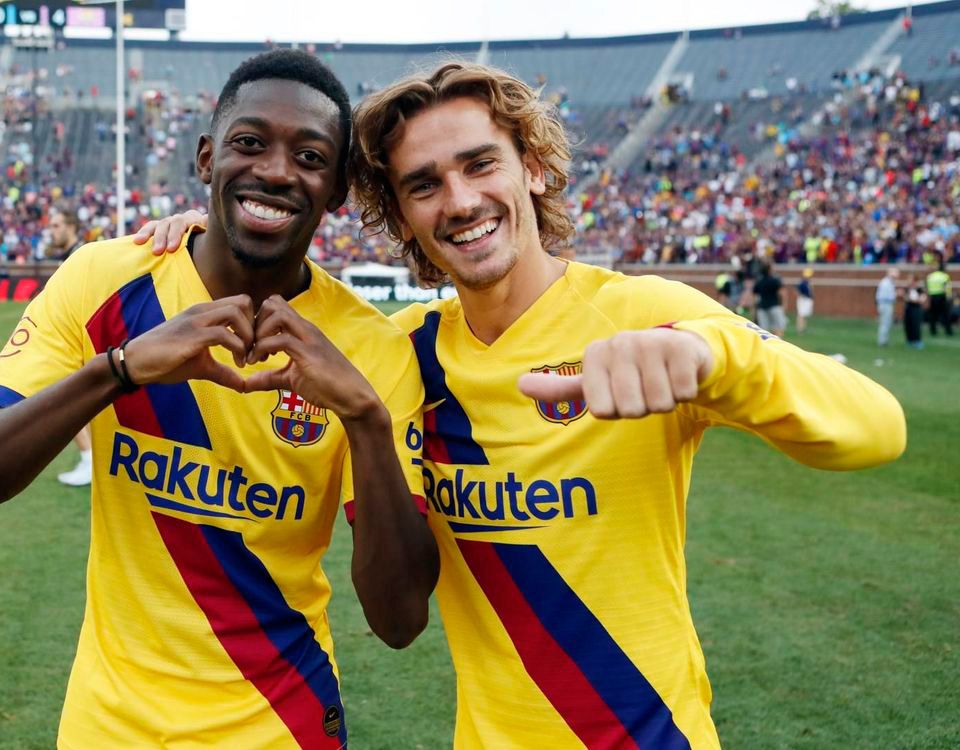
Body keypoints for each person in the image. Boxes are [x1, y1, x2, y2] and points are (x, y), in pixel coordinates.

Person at [139, 60, 906, 749]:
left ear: (533, 168)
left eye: (480, 165)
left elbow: (878, 429)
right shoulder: (400, 357)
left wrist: (715, 359)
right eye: (424, 183)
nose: (461, 200)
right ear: (402, 217)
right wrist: (195, 233)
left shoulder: (644, 316)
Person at [0, 50, 437, 749]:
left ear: (338, 190)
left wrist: (367, 422)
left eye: (311, 156)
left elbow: (400, 620)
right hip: (108, 727)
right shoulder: (107, 279)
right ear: (206, 159)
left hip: (279, 725)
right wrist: (121, 368)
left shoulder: (371, 350)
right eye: (250, 143)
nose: (277, 171)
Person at [45, 208, 94, 486]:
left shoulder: (80, 256)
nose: (52, 230)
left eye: (56, 224)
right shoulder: (74, 255)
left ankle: (89, 460)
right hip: (79, 338)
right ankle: (91, 459)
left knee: (68, 398)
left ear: (71, 225)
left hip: (83, 340)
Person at [752, 263, 786, 337]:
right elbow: (782, 293)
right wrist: (783, 305)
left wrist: (754, 310)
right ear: (769, 270)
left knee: (764, 332)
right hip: (774, 307)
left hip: (762, 308)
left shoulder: (759, 281)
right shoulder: (775, 280)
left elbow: (754, 297)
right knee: (778, 328)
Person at [925, 259, 953, 336]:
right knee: (945, 315)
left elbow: (927, 288)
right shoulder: (945, 276)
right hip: (942, 296)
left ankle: (933, 330)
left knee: (933, 315)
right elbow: (947, 288)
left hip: (932, 297)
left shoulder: (930, 276)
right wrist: (949, 297)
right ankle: (948, 331)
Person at [876, 267, 900, 346]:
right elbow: (887, 296)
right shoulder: (886, 282)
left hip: (886, 304)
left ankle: (884, 340)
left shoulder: (889, 282)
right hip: (885, 304)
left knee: (887, 322)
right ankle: (882, 341)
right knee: (885, 323)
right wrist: (897, 294)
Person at [904, 274, 925, 348]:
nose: (908, 281)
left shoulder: (920, 289)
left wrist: (913, 300)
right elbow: (905, 298)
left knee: (916, 325)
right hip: (908, 308)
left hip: (916, 309)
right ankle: (909, 340)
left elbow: (922, 300)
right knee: (908, 325)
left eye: (910, 279)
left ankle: (917, 341)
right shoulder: (907, 289)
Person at [795, 268, 814, 334]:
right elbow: (797, 290)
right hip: (803, 300)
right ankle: (800, 329)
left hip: (806, 300)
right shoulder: (802, 282)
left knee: (804, 315)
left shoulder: (807, 282)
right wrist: (801, 296)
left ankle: (803, 328)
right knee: (801, 314)